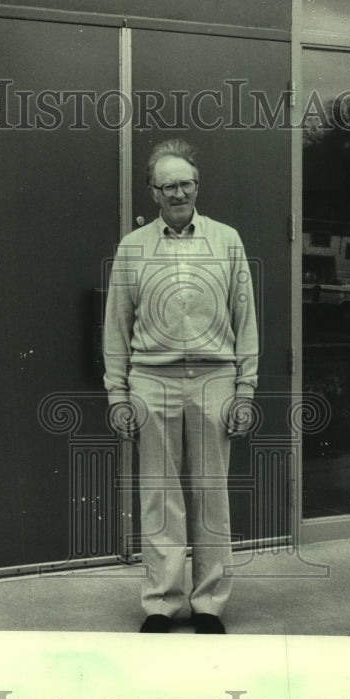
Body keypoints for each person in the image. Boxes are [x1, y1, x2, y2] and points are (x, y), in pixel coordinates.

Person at [103, 138, 258, 634]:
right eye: (167, 186)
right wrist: (117, 395)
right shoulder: (132, 248)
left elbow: (247, 320)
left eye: (185, 183)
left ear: (198, 185)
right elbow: (115, 328)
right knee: (159, 495)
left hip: (216, 380)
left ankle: (209, 603)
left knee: (212, 494)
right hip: (152, 381)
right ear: (153, 192)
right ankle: (162, 602)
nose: (177, 193)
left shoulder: (228, 240)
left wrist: (245, 389)